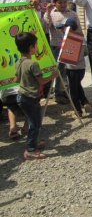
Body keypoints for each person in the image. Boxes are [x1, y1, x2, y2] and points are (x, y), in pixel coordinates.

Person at [15, 32, 58, 160]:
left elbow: (17, 79)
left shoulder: (19, 62)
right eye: (35, 45)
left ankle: (33, 143)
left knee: (33, 122)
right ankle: (30, 150)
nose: (37, 47)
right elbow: (41, 81)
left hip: (21, 96)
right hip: (30, 98)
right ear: (31, 47)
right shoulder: (33, 64)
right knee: (36, 124)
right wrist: (53, 75)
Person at [44, 0, 81, 105]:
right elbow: (46, 28)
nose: (63, 5)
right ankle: (56, 93)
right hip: (56, 45)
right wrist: (48, 12)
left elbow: (78, 30)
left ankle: (65, 92)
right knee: (58, 70)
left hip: (70, 45)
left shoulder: (73, 14)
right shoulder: (50, 14)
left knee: (68, 70)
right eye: (60, 3)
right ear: (54, 3)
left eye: (65, 2)